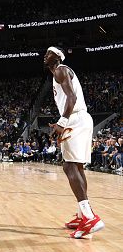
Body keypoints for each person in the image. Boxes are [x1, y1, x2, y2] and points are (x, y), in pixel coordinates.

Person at [44, 46, 105, 239]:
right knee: (76, 167)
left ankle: (89, 217)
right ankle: (83, 215)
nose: (45, 55)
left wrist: (62, 123)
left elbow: (72, 97)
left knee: (69, 167)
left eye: (49, 52)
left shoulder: (61, 69)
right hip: (80, 118)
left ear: (58, 57)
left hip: (75, 119)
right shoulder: (58, 73)